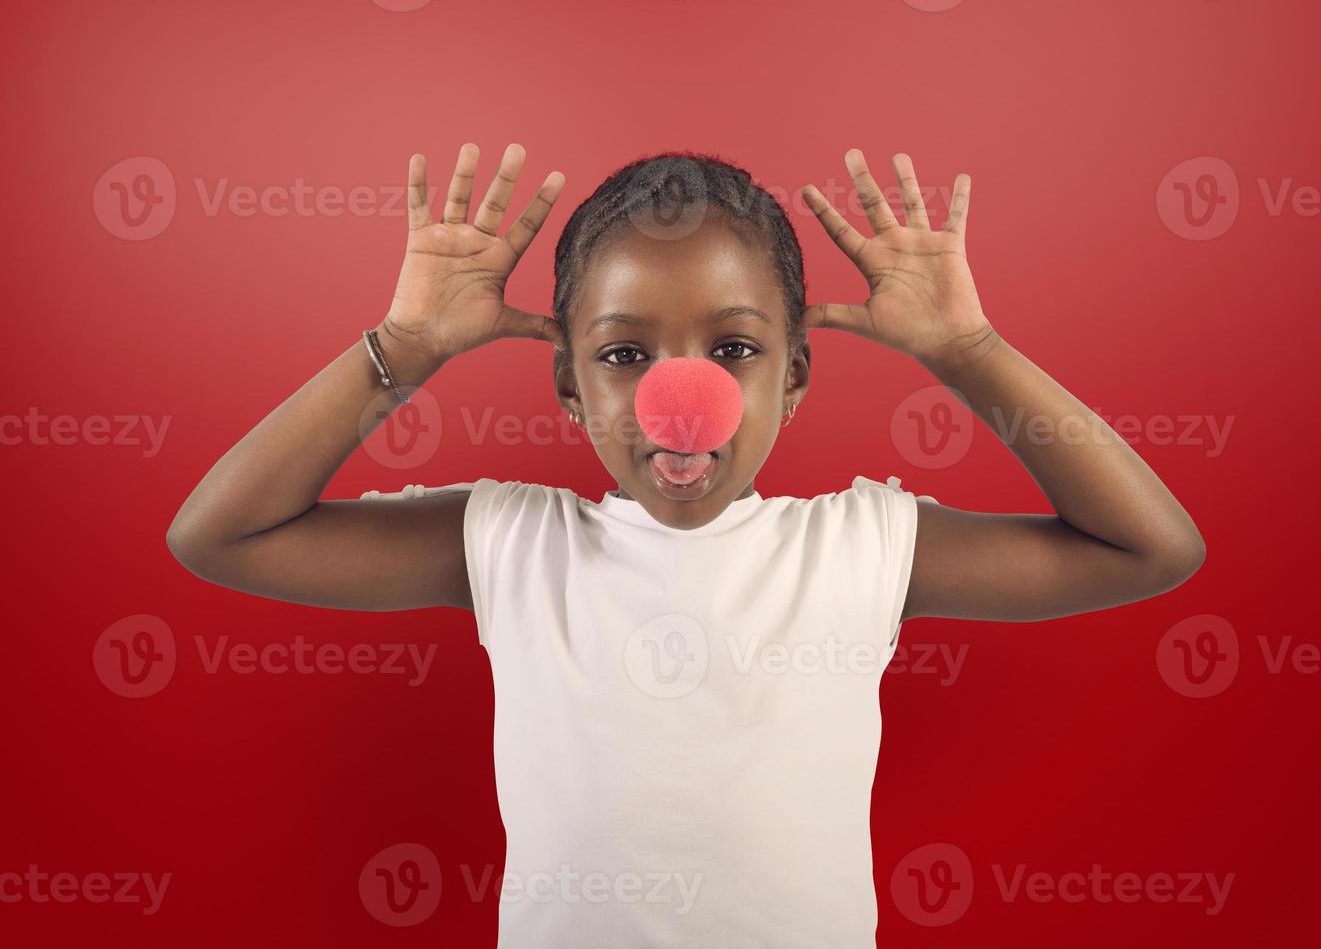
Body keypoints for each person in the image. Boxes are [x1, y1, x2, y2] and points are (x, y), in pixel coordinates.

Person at [167, 142, 1205, 947]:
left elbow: (1146, 548)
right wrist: (399, 349)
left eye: (735, 349)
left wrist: (970, 352)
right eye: (623, 353)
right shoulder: (509, 542)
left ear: (792, 378)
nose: (680, 398)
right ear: (569, 387)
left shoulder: (861, 543)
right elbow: (221, 533)